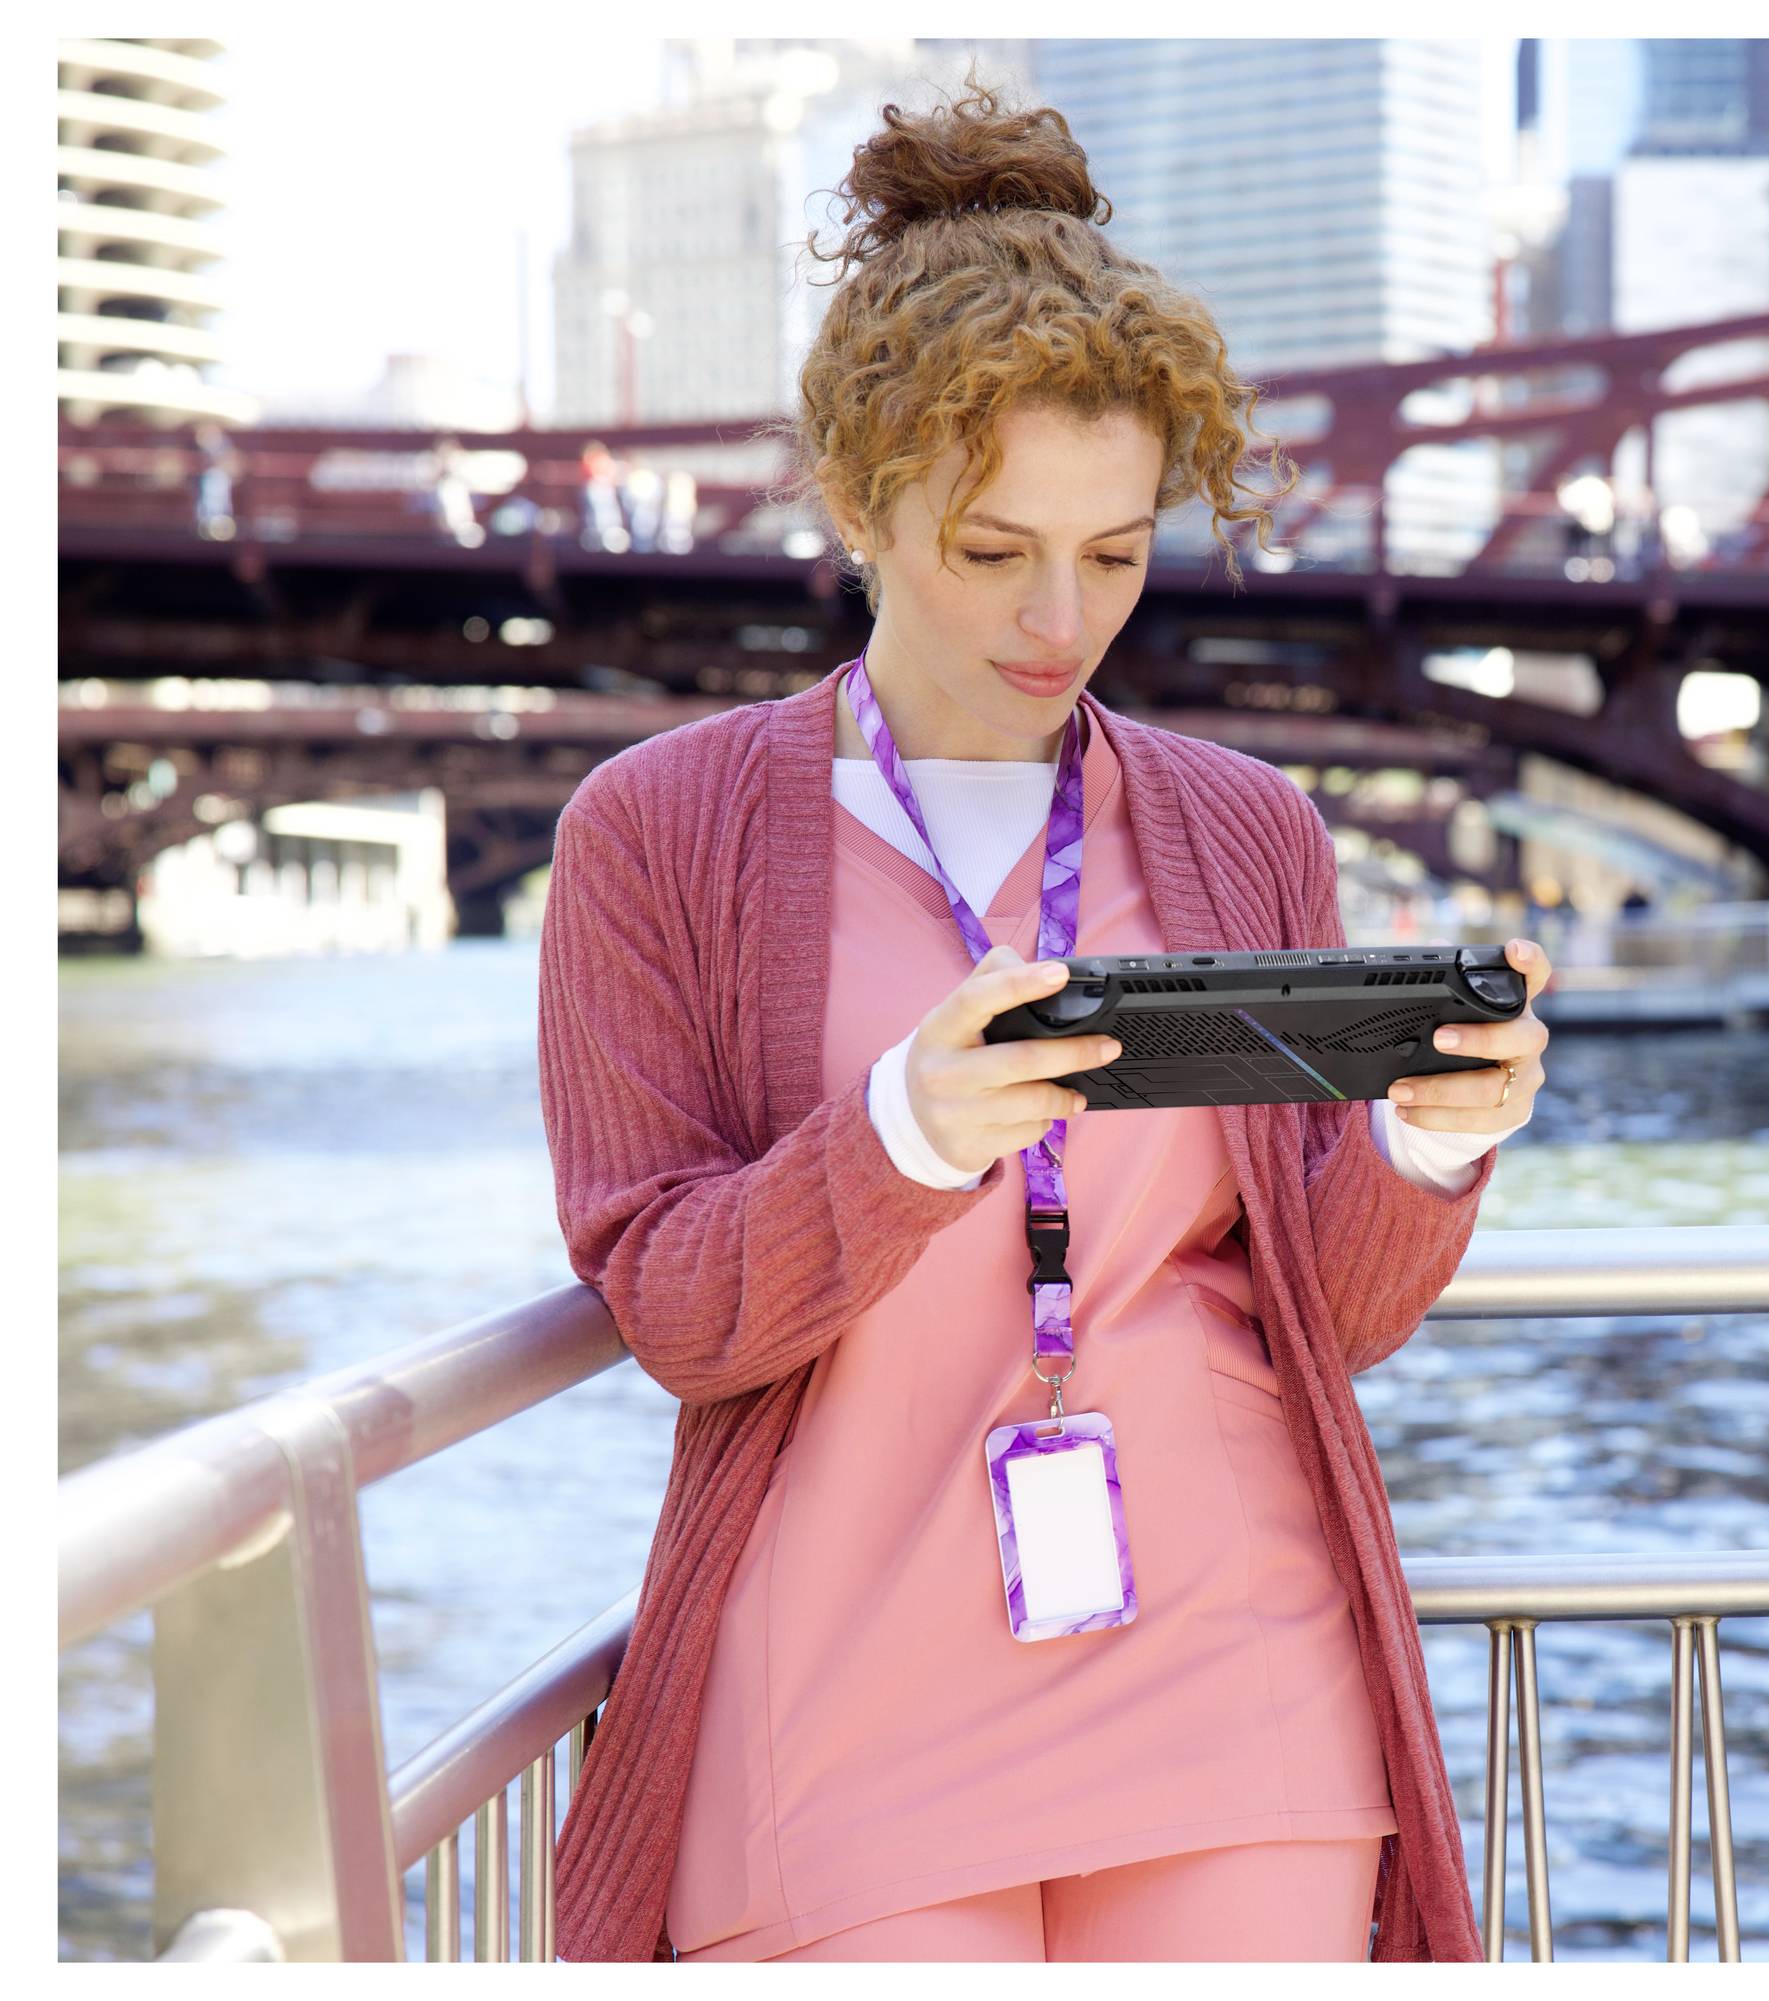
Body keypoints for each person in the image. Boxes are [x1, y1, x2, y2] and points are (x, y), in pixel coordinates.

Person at [536, 86, 1555, 1966]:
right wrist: (902, 1134)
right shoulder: (657, 832)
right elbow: (673, 1309)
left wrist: (1428, 1139)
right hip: (842, 1711)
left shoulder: (1245, 826)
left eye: (1117, 551)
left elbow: (1325, 1314)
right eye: (993, 548)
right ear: (859, 500)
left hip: (1237, 1685)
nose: (1061, 617)